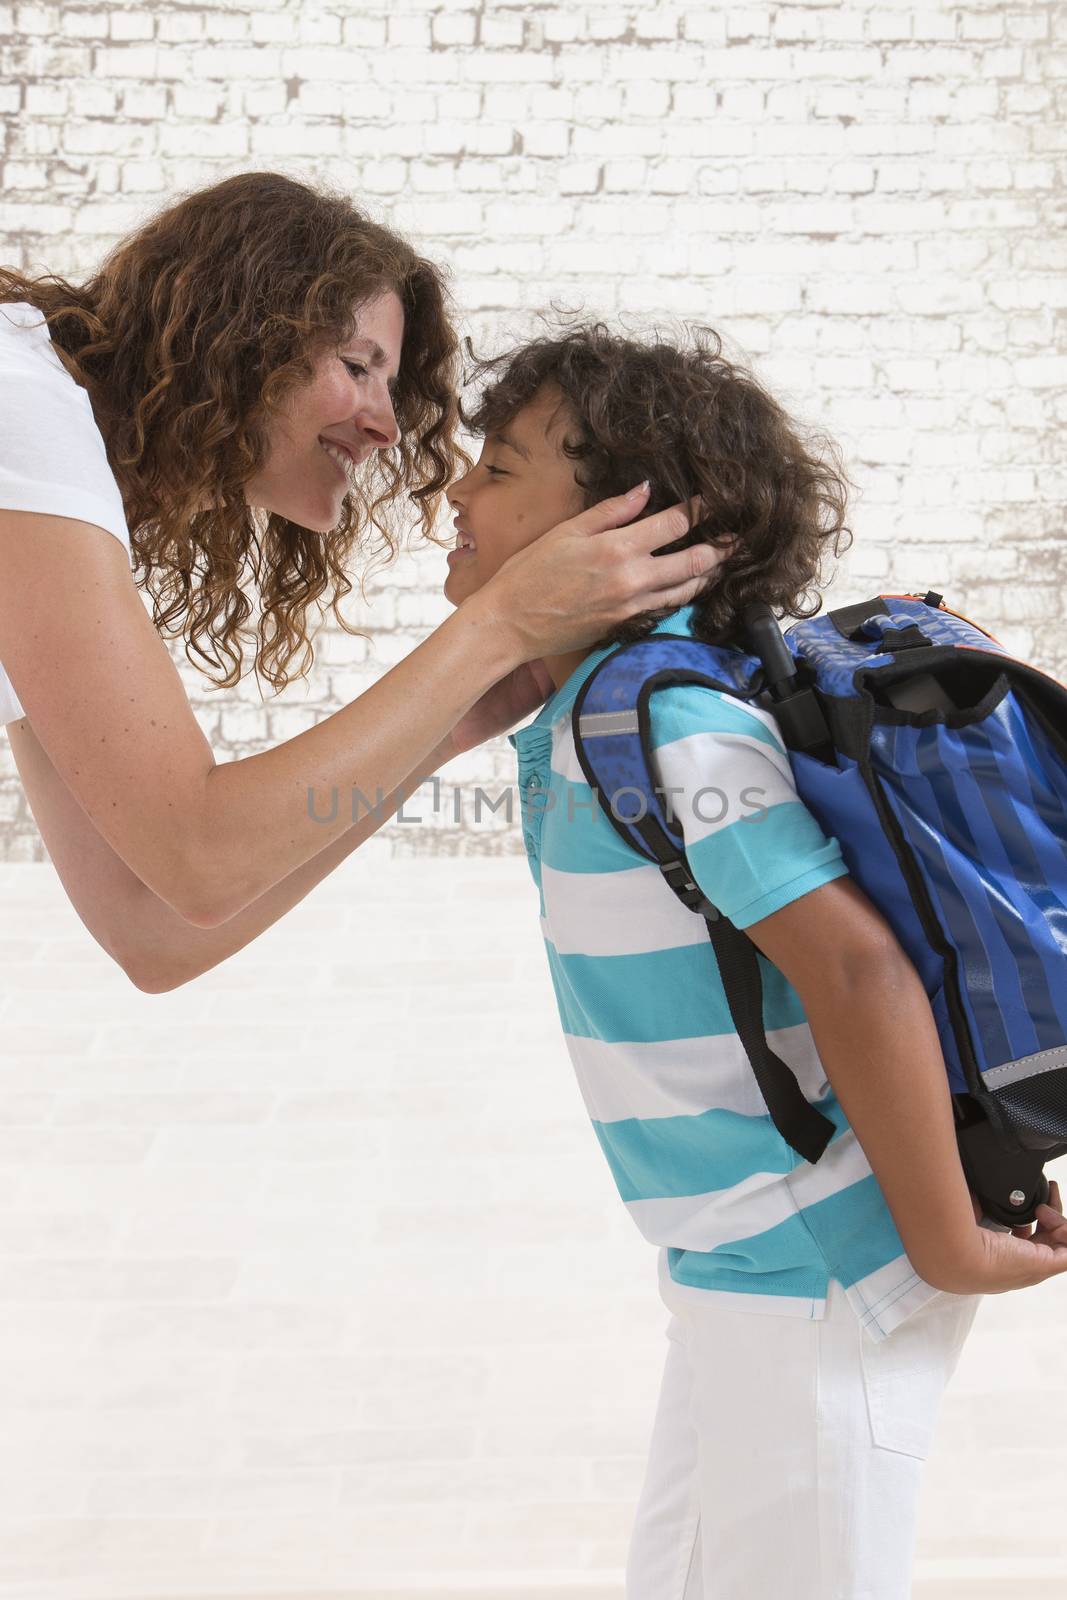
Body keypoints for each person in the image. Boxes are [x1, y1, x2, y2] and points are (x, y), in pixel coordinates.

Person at [442, 322, 1067, 1599]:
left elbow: (855, 972)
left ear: (637, 526)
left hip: (822, 1279)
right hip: (739, 1274)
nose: (455, 491)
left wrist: (945, 1242)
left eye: (499, 469)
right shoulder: (601, 701)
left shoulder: (673, 719)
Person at [0, 173, 723, 992]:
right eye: (356, 365)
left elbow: (151, 931)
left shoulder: (44, 502)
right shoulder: (21, 410)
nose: (385, 425)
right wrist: (497, 626)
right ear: (238, 338)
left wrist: (446, 725)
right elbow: (197, 856)